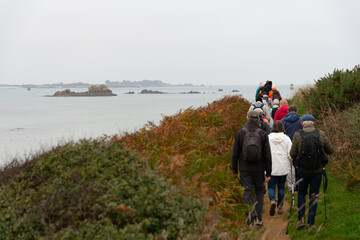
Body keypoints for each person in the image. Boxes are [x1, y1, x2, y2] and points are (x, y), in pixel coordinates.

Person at [290, 114, 334, 229]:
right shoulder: (321, 134)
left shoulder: (297, 134)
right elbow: (330, 150)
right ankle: (311, 223)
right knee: (314, 196)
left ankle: (301, 220)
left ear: (302, 124)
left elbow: (292, 154)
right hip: (317, 171)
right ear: (314, 123)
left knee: (301, 194)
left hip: (302, 171)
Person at [232, 110, 272, 227]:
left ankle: (249, 220)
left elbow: (234, 154)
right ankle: (259, 218)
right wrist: (268, 173)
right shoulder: (263, 134)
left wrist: (235, 170)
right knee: (259, 192)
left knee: (247, 192)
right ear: (259, 119)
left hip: (244, 169)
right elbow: (267, 155)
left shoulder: (240, 133)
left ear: (247, 119)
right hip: (259, 169)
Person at [267, 121, 292, 216]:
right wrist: (290, 160)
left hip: (271, 165)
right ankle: (280, 206)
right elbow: (290, 153)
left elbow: (265, 151)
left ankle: (272, 200)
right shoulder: (286, 139)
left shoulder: (268, 138)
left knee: (271, 186)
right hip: (283, 165)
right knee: (281, 186)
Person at [282, 104, 303, 191]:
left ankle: (291, 185)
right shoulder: (301, 120)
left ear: (288, 111)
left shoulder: (283, 121)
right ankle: (299, 184)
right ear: (296, 111)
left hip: (287, 145)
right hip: (299, 145)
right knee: (298, 165)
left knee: (290, 166)